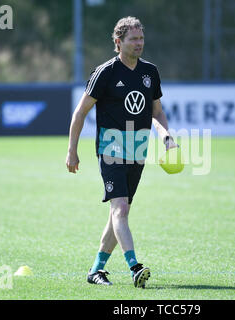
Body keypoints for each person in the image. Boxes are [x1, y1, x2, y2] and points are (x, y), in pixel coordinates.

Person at [65, 16, 177, 288]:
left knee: (118, 215)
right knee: (121, 209)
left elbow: (157, 111)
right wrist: (72, 151)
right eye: (133, 39)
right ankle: (135, 267)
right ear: (119, 42)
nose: (139, 44)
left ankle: (96, 270)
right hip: (111, 149)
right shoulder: (106, 72)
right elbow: (80, 112)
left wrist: (166, 136)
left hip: (138, 151)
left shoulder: (150, 72)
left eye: (141, 39)